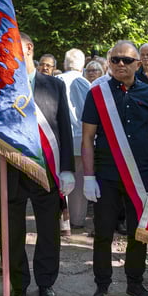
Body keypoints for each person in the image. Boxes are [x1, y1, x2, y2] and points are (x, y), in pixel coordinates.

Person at [82, 41, 148, 296]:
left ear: (138, 64)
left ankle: (135, 282)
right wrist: (88, 176)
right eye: (116, 59)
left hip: (140, 174)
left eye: (127, 60)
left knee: (139, 231)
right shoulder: (97, 94)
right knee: (104, 232)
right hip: (106, 174)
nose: (121, 64)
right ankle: (102, 285)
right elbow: (87, 137)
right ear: (109, 62)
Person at [2, 32, 75, 296]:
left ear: (28, 48)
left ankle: (46, 282)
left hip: (47, 169)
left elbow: (64, 129)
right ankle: (19, 283)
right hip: (11, 169)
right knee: (13, 232)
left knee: (48, 231)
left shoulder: (54, 85)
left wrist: (67, 168)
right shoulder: (2, 86)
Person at [57, 48, 92, 229]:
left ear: (64, 63)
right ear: (83, 65)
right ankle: (77, 220)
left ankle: (63, 222)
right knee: (79, 182)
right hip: (81, 140)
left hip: (59, 141)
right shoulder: (85, 83)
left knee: (60, 179)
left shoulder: (56, 81)